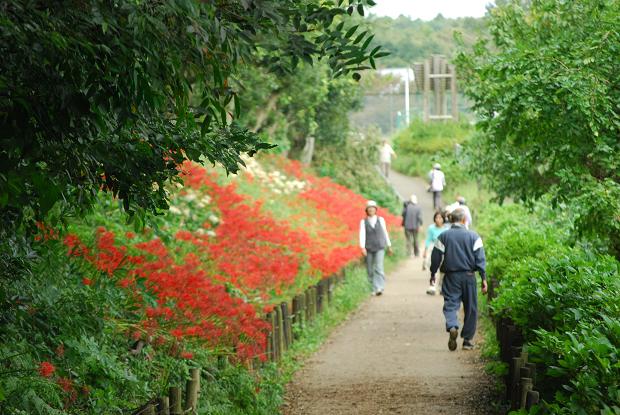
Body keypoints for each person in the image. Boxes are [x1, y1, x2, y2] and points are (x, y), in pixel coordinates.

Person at [430, 208, 488, 351]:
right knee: (471, 308)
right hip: (469, 277)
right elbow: (480, 259)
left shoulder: (443, 236)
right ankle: (467, 341)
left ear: (451, 220)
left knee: (450, 304)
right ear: (464, 220)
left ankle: (452, 326)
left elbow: (436, 257)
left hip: (451, 277)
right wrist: (484, 278)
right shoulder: (474, 236)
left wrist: (432, 273)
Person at [360, 200, 392, 296]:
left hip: (379, 246)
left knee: (378, 267)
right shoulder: (363, 222)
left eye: (373, 208)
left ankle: (379, 287)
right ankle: (372, 288)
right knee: (369, 269)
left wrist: (389, 245)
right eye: (369, 208)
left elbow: (385, 232)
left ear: (375, 209)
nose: (371, 210)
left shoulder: (381, 220)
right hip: (369, 247)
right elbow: (362, 234)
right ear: (366, 210)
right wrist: (362, 247)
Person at [422, 211, 449, 291]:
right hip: (434, 250)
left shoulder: (446, 229)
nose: (438, 219)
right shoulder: (431, 228)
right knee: (433, 268)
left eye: (440, 218)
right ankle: (432, 286)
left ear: (443, 219)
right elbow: (428, 239)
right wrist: (425, 250)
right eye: (436, 217)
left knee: (443, 270)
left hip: (444, 250)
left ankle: (441, 286)